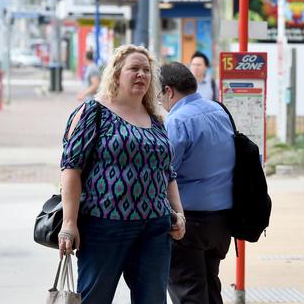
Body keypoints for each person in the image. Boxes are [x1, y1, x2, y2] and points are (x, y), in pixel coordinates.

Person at [57, 44, 185, 304]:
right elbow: (71, 168)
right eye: (134, 69)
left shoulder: (156, 119)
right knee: (95, 299)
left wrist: (178, 213)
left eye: (146, 70)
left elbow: (168, 172)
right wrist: (69, 223)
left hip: (155, 228)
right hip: (105, 226)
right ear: (116, 74)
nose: (141, 75)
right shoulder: (94, 112)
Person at [159, 62, 235, 304]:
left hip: (189, 223)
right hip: (222, 221)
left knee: (188, 294)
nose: (160, 101)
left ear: (169, 91)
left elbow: (166, 171)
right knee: (211, 289)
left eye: (159, 95)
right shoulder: (218, 110)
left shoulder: (177, 121)